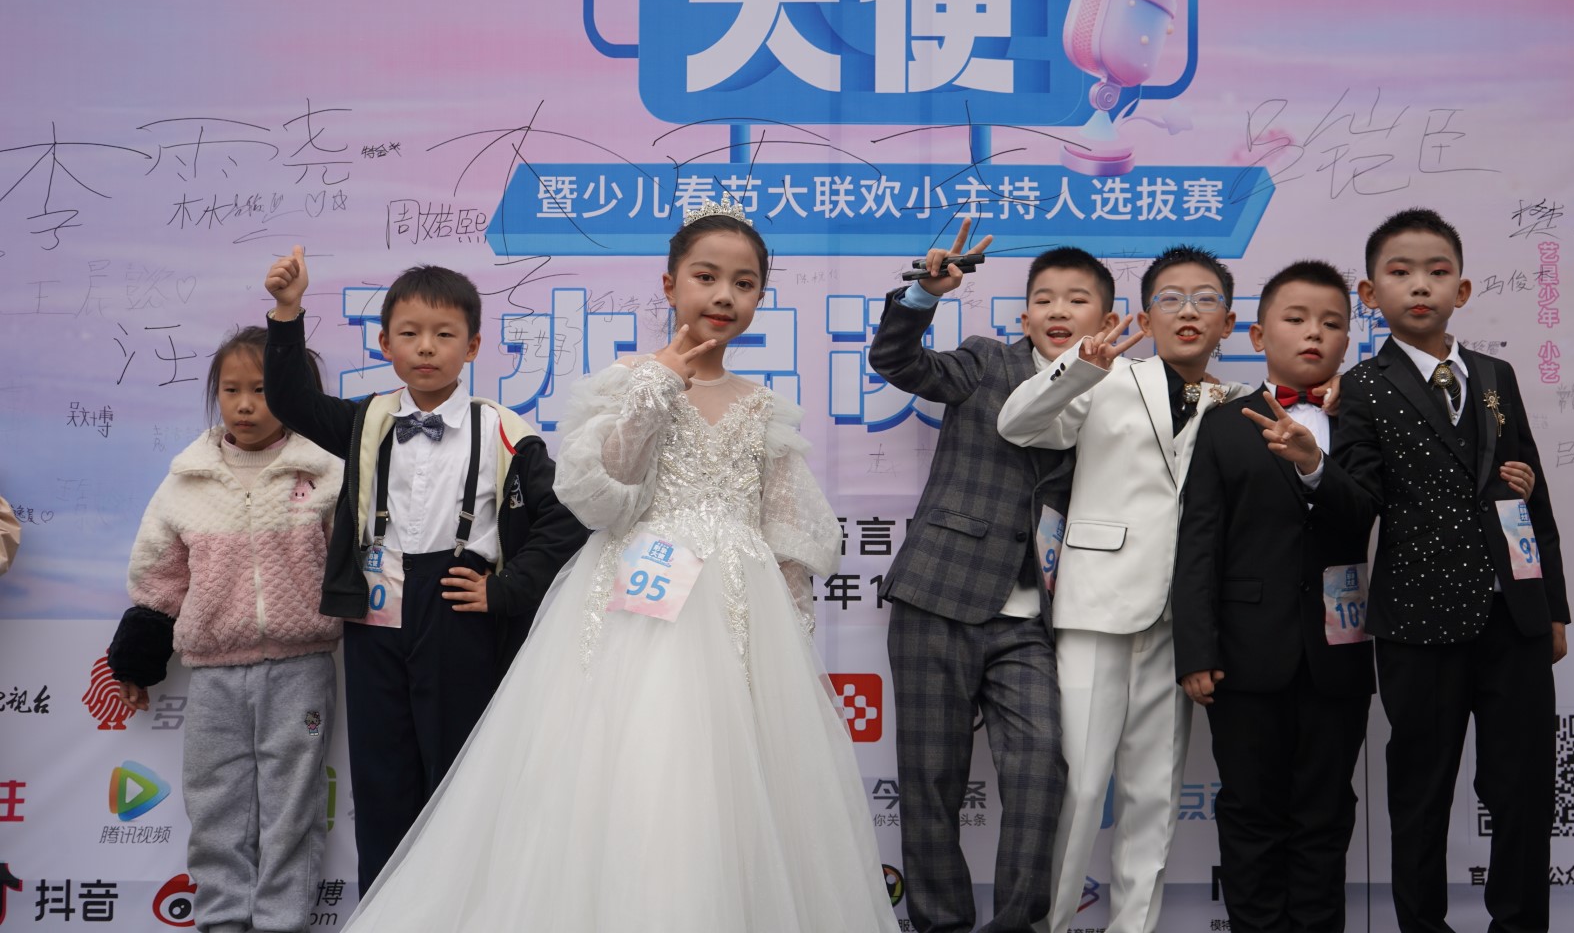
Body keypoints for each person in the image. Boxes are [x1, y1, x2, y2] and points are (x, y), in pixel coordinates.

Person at [337, 197, 901, 931]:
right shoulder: (624, 380)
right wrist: (656, 386)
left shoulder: (765, 407)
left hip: (741, 614)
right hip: (637, 611)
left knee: (733, 785)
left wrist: (789, 633)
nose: (724, 296)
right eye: (706, 276)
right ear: (669, 285)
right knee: (638, 765)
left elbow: (790, 534)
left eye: (744, 283)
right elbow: (598, 495)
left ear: (761, 297)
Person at [261, 255, 589, 892]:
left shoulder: (505, 430)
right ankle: (384, 908)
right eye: (409, 334)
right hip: (374, 611)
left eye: (444, 334)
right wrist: (287, 312)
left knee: (458, 770)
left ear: (474, 346)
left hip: (458, 611)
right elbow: (290, 400)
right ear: (385, 344)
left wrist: (507, 589)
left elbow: (566, 519)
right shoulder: (366, 421)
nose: (427, 348)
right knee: (380, 774)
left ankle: (462, 905)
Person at [869, 222, 1117, 933]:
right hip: (939, 592)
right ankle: (940, 924)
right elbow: (897, 360)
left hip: (1032, 617)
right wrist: (923, 295)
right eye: (1044, 299)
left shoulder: (1120, 393)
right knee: (929, 780)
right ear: (1025, 317)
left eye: (1077, 299)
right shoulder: (985, 360)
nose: (1058, 310)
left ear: (1107, 320)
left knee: (1041, 768)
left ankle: (1017, 924)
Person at [998, 245, 1248, 933]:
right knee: (1079, 788)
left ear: (1228, 322)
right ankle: (1050, 923)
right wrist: (1080, 366)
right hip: (1097, 605)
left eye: (1205, 299)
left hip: (1182, 622)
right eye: (1171, 298)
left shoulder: (1241, 406)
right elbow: (1017, 423)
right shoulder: (1105, 378)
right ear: (1143, 317)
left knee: (1154, 796)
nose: (1188, 311)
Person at [1336, 209, 1567, 933]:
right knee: (1421, 793)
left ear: (1461, 290)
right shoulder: (1361, 387)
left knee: (1523, 788)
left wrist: (1553, 605)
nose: (1420, 285)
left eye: (1437, 272)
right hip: (1417, 623)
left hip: (1514, 617)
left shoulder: (1496, 376)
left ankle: (1519, 924)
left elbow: (1535, 496)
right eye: (1400, 272)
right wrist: (1317, 467)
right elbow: (1358, 502)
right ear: (1370, 294)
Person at [107, 326, 344, 933]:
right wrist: (136, 661)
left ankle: (282, 922)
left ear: (294, 390)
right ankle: (221, 921)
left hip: (300, 666)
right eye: (231, 390)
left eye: (262, 390)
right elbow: (159, 575)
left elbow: (358, 562)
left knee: (292, 806)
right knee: (215, 804)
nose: (244, 405)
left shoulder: (325, 473)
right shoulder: (187, 480)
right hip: (214, 675)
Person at [1171, 261, 1379, 933]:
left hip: (1338, 653)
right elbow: (1200, 541)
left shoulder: (1362, 423)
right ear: (1260, 335)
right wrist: (1195, 649)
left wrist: (1316, 463)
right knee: (1250, 812)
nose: (1314, 333)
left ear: (1348, 339)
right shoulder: (1222, 424)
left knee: (1326, 813)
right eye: (1296, 319)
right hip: (1243, 656)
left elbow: (1363, 513)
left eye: (1332, 322)